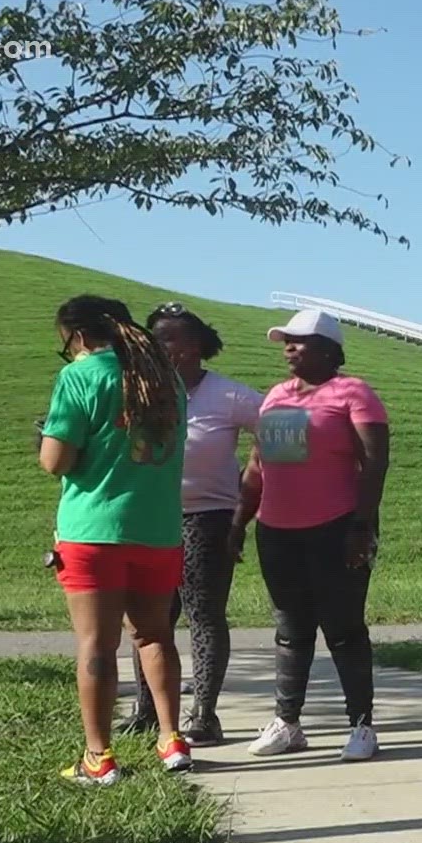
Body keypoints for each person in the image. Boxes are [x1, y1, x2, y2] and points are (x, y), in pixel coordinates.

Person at [39, 295, 192, 785]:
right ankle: (171, 739)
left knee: (97, 643)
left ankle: (98, 756)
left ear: (79, 336)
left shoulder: (80, 377)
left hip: (94, 531)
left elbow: (56, 461)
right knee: (155, 635)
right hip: (159, 529)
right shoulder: (168, 379)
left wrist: (47, 439)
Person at [236, 309, 390, 762]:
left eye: (299, 341)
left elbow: (374, 462)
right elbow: (259, 465)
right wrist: (238, 522)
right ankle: (288, 722)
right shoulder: (278, 397)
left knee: (343, 628)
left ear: (329, 349)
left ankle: (362, 725)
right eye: (286, 341)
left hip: (338, 527)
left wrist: (362, 525)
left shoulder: (353, 393)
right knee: (290, 627)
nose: (289, 348)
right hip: (278, 530)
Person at [121, 302, 261, 746]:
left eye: (173, 337)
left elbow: (283, 433)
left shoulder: (230, 396)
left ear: (198, 345)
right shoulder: (144, 393)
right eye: (157, 337)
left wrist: (252, 484)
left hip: (209, 517)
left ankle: (204, 713)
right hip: (151, 517)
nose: (164, 346)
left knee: (203, 615)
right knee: (149, 620)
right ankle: (147, 710)